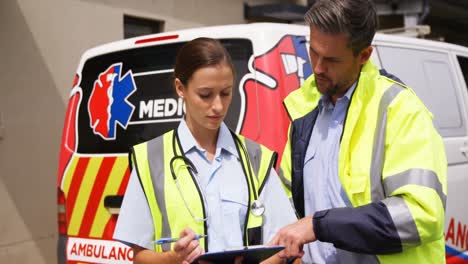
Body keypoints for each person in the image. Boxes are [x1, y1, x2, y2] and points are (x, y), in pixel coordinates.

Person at [269, 0, 447, 263]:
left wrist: (319, 225)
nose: (317, 67)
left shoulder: (399, 110)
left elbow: (421, 214)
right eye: (313, 52)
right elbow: (286, 201)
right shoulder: (304, 109)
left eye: (331, 59)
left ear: (364, 56)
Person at [113, 37, 297, 264]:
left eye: (226, 93)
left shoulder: (256, 158)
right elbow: (139, 256)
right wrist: (173, 258)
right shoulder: (150, 159)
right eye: (206, 95)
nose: (218, 106)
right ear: (180, 88)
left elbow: (283, 245)